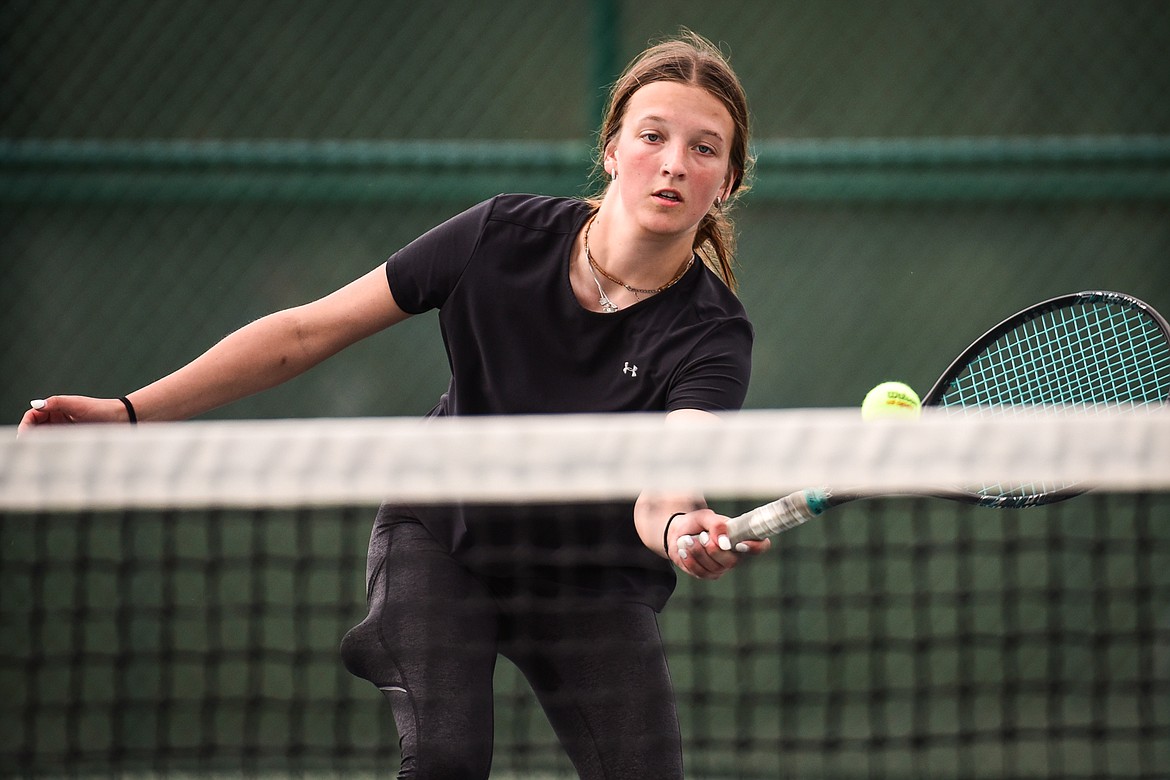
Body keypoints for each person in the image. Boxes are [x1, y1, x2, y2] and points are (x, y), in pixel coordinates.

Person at [20, 30, 771, 778]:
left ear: (729, 181)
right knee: (445, 760)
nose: (674, 162)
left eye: (705, 149)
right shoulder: (498, 238)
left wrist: (679, 525)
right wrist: (127, 412)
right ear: (611, 150)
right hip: (443, 539)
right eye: (652, 136)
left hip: (588, 580)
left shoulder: (712, 334)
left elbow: (667, 481)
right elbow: (305, 332)